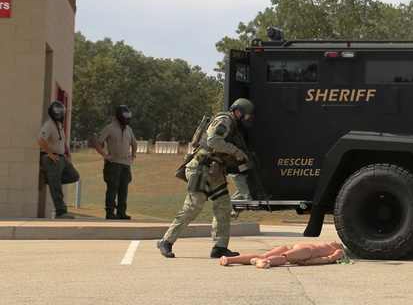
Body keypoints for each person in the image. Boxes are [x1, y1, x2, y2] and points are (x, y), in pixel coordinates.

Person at [157, 98, 256, 259]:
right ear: (238, 112)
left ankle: (220, 247)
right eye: (247, 116)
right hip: (200, 167)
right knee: (194, 205)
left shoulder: (234, 127)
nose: (248, 120)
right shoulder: (224, 120)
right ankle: (166, 241)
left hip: (215, 171)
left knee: (224, 206)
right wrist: (236, 152)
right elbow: (213, 141)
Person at [91, 105, 138, 220]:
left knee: (123, 189)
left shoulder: (128, 129)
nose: (127, 118)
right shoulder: (110, 128)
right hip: (113, 164)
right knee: (112, 188)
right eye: (125, 116)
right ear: (119, 115)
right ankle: (110, 212)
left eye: (129, 116)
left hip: (126, 164)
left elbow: (134, 143)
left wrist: (133, 155)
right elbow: (96, 141)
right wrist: (105, 155)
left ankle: (122, 212)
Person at [37, 101, 80, 219]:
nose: (59, 113)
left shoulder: (59, 125)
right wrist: (49, 154)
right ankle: (61, 212)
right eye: (57, 110)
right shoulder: (49, 125)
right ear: (51, 111)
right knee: (56, 186)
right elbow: (40, 139)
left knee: (74, 176)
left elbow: (63, 142)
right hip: (52, 159)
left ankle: (46, 179)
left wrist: (69, 155)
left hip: (61, 158)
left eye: (61, 111)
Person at [218, 241, 347, 268]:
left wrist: (312, 261)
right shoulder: (326, 244)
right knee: (263, 254)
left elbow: (328, 259)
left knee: (284, 258)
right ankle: (229, 259)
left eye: (339, 243)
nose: (336, 241)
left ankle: (265, 262)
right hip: (292, 247)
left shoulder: (338, 251)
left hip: (308, 252)